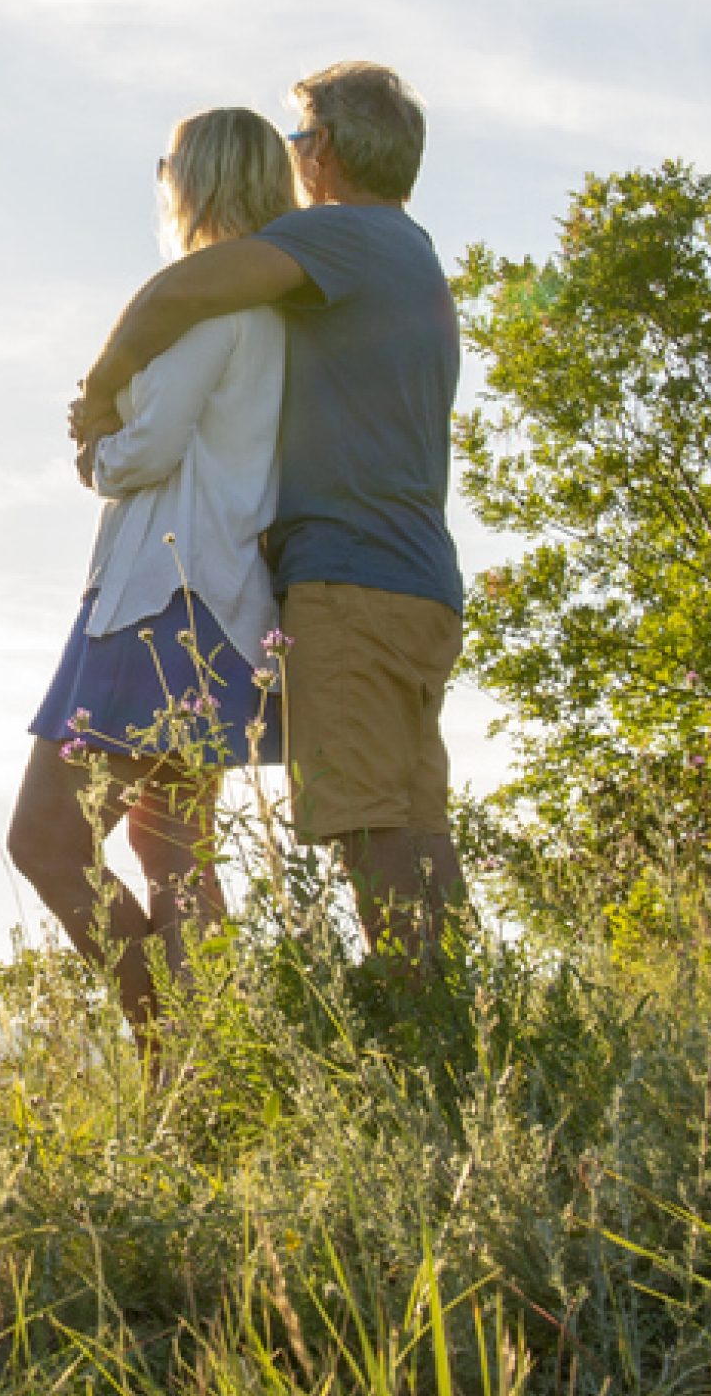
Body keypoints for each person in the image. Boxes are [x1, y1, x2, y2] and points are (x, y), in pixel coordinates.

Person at [69, 61, 465, 993]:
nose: (290, 161)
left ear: (322, 151)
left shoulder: (347, 239)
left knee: (369, 829)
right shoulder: (409, 254)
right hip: (413, 584)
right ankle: (459, 1031)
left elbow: (183, 289)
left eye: (298, 141)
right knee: (414, 829)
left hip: (353, 584)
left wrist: (94, 399)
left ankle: (423, 1052)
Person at [6, 106, 296, 1034]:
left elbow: (144, 451)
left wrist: (93, 446)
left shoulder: (216, 301)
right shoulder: (270, 310)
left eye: (169, 164)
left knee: (48, 843)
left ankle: (168, 1032)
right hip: (215, 605)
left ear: (198, 180)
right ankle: (207, 1072)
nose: (163, 178)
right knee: (173, 846)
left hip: (159, 603)